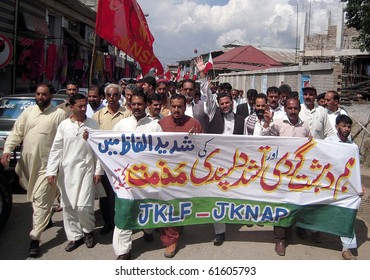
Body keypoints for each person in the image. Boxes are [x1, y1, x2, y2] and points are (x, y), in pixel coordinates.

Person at [0, 83, 68, 257]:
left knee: (39, 201)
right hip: (28, 166)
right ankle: (46, 215)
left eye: (44, 94)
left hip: (47, 167)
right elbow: (17, 132)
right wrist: (8, 150)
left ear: (50, 96)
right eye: (38, 94)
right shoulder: (28, 112)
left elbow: (65, 139)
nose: (40, 97)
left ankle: (35, 240)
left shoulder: (58, 114)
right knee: (39, 200)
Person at [196, 56, 245, 246]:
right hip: (215, 162)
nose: (225, 105)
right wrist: (202, 73)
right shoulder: (212, 112)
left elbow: (248, 143)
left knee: (235, 192)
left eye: (228, 103)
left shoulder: (241, 120)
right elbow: (206, 94)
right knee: (217, 194)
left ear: (232, 102)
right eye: (222, 103)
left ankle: (241, 216)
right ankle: (220, 231)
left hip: (235, 162)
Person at [46, 94, 104, 252]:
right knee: (69, 206)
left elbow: (99, 150)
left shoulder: (92, 124)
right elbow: (56, 149)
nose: (84, 108)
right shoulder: (64, 125)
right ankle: (74, 237)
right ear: (71, 106)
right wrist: (51, 171)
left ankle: (88, 230)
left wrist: (98, 170)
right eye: (80, 106)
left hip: (87, 170)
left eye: (85, 105)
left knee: (83, 206)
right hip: (67, 172)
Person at [112, 89, 163, 260]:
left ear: (146, 105)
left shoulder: (154, 126)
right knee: (124, 210)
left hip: (147, 176)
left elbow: (162, 151)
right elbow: (108, 145)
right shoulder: (121, 125)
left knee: (146, 207)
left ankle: (147, 230)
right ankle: (123, 251)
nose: (136, 107)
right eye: (133, 104)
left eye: (139, 104)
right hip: (125, 176)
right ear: (129, 105)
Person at [261, 97, 311, 256]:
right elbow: (263, 139)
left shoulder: (305, 126)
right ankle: (280, 239)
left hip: (298, 173)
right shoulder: (278, 124)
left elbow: (311, 146)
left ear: (299, 109)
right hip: (280, 172)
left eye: (296, 108)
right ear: (286, 109)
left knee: (295, 203)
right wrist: (267, 124)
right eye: (290, 108)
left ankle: (293, 231)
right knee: (281, 205)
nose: (293, 111)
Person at [158, 94, 203, 258]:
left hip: (186, 174)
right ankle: (171, 240)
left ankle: (174, 232)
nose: (176, 110)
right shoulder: (161, 124)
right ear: (170, 106)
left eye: (180, 107)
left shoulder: (194, 124)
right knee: (168, 206)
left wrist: (195, 139)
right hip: (165, 173)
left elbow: (202, 150)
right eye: (174, 106)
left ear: (185, 107)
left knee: (178, 206)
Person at [92, 83, 131, 235]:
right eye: (109, 95)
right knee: (105, 194)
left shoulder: (127, 114)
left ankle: (121, 222)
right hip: (103, 161)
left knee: (121, 194)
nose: (112, 98)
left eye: (115, 95)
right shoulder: (98, 115)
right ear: (105, 97)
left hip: (122, 162)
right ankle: (108, 222)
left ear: (120, 96)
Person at [325, 114, 365, 260]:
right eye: (343, 125)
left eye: (348, 126)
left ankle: (346, 248)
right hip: (326, 184)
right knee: (319, 209)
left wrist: (359, 184)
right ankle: (312, 233)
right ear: (336, 127)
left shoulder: (352, 147)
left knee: (347, 213)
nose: (346, 129)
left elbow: (355, 169)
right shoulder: (327, 142)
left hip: (344, 186)